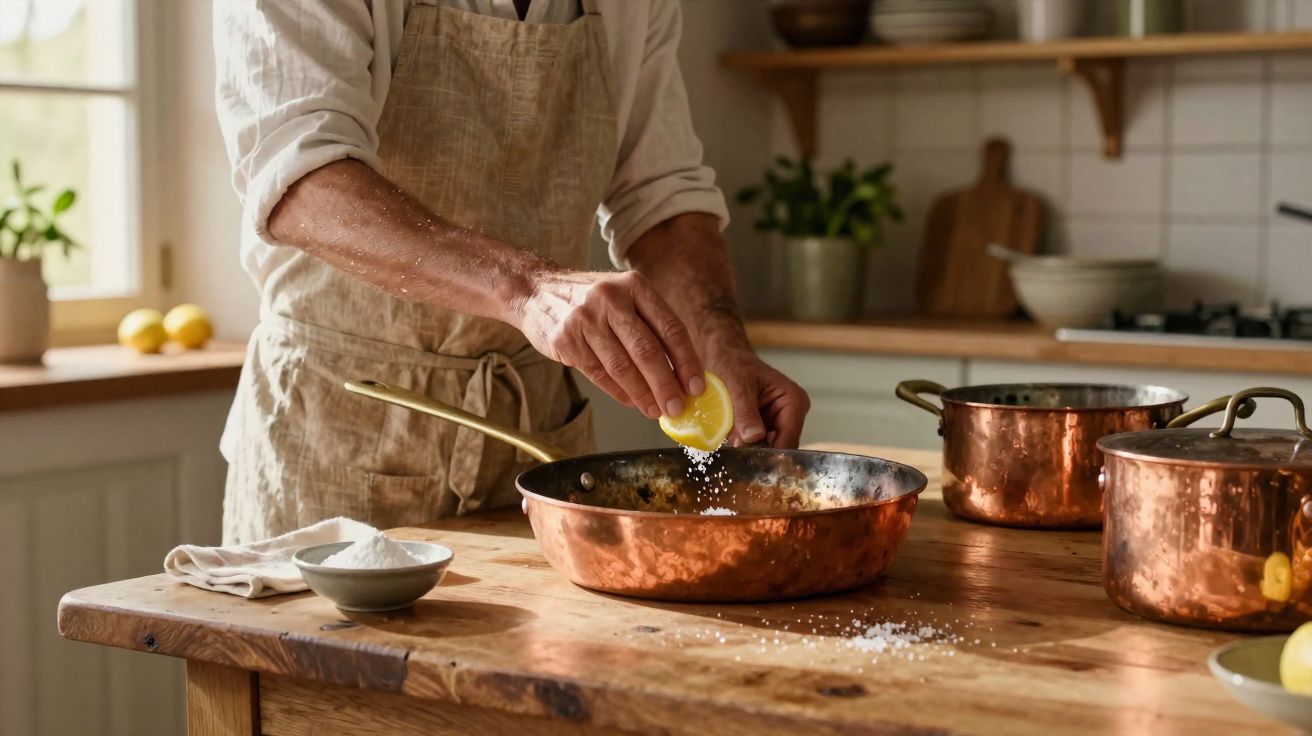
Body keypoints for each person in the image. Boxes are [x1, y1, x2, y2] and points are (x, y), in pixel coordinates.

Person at [214, 0, 810, 544]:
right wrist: (528, 290)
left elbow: (662, 196)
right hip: (339, 437)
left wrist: (717, 342)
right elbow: (301, 183)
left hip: (536, 444)